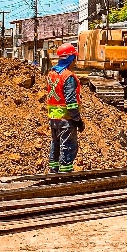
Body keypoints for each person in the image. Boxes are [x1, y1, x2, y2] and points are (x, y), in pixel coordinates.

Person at [46, 43, 84, 173]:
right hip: (66, 118)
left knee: (55, 144)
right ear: (69, 58)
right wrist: (77, 119)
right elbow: (71, 101)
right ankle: (65, 173)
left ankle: (54, 169)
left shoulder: (52, 73)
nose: (75, 61)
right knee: (68, 145)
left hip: (53, 117)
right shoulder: (68, 76)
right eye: (74, 58)